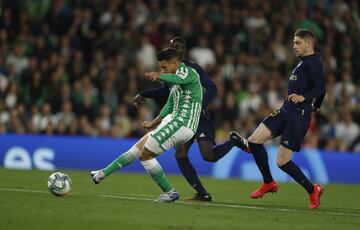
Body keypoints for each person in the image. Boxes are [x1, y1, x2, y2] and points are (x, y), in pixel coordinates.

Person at [134, 37, 244, 201]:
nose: (176, 48)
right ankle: (202, 193)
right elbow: (167, 92)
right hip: (184, 117)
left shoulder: (193, 68)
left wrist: (200, 105)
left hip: (199, 116)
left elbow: (213, 87)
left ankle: (234, 140)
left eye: (179, 46)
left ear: (184, 50)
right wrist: (144, 94)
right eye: (173, 46)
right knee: (180, 154)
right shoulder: (170, 70)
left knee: (208, 156)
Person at [90, 48, 203, 202]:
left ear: (175, 63)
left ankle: (169, 191)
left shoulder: (188, 73)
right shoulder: (174, 81)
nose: (161, 70)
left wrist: (159, 76)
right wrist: (154, 122)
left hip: (183, 123)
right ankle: (102, 174)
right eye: (160, 67)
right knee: (138, 147)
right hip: (173, 120)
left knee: (145, 155)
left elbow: (179, 80)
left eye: (164, 67)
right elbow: (170, 104)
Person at [232, 29, 326, 209]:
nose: (294, 46)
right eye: (293, 42)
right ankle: (268, 182)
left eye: (298, 43)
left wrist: (305, 99)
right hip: (286, 109)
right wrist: (316, 105)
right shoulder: (302, 63)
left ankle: (313, 190)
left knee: (282, 161)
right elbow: (320, 89)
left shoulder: (313, 62)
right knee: (254, 141)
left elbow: (321, 87)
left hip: (299, 115)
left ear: (308, 44)